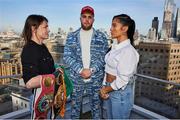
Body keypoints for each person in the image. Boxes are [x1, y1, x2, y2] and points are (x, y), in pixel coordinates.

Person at [63, 6, 109, 119]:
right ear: (80, 18)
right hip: (77, 79)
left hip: (95, 79)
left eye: (90, 17)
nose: (87, 19)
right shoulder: (71, 36)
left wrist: (91, 70)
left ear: (93, 19)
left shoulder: (101, 37)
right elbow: (67, 56)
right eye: (84, 17)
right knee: (74, 110)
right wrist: (80, 70)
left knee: (96, 109)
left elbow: (104, 57)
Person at [21, 14, 62, 119]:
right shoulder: (29, 49)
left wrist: (57, 71)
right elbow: (29, 83)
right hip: (38, 99)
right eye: (45, 27)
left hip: (48, 97)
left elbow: (48, 69)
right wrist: (54, 77)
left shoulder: (43, 47)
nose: (48, 30)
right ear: (34, 29)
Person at [99, 14, 139, 119]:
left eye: (114, 25)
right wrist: (104, 86)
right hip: (110, 88)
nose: (110, 29)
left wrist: (105, 89)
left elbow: (123, 79)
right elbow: (107, 69)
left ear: (124, 28)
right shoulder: (115, 48)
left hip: (120, 93)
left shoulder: (128, 51)